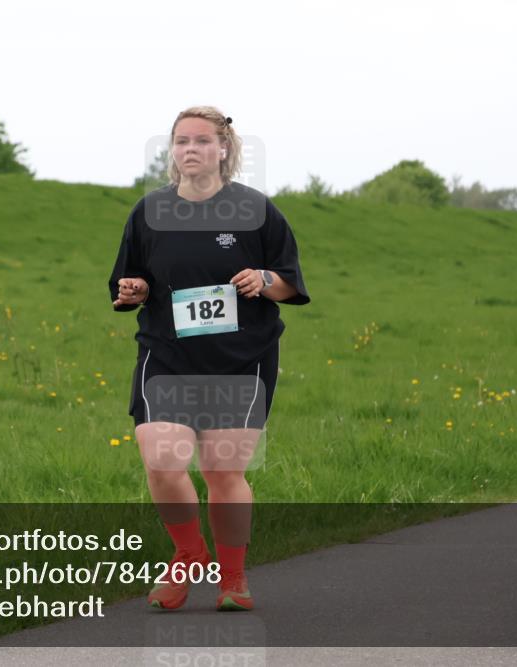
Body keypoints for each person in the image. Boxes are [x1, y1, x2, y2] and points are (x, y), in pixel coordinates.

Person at [108, 106, 310, 611]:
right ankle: (189, 552)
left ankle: (233, 579)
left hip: (241, 357)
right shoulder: (149, 211)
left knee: (222, 473)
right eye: (181, 141)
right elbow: (129, 281)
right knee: (161, 460)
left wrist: (263, 279)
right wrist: (133, 291)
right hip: (167, 353)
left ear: (223, 148)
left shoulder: (256, 210)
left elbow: (290, 283)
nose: (190, 149)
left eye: (201, 141)